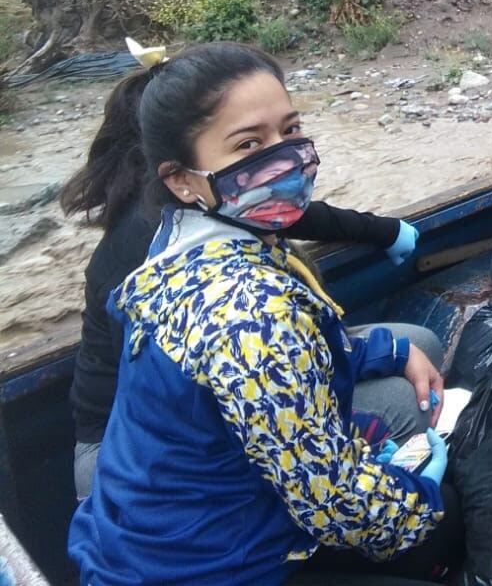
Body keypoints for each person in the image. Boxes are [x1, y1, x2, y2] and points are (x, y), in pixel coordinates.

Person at [67, 42, 462, 586]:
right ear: (181, 178)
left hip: (158, 528)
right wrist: (423, 500)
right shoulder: (247, 309)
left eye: (291, 131)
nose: (286, 158)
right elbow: (337, 506)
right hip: (209, 567)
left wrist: (389, 350)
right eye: (249, 143)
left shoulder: (182, 240)